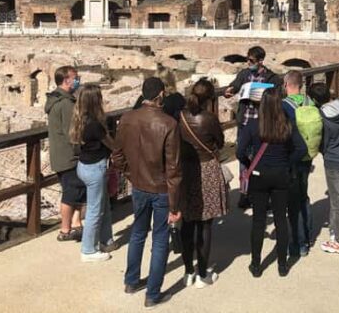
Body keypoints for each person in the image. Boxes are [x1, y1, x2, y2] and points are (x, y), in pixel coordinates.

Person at [113, 77, 182, 308]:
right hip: (161, 189)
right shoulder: (169, 124)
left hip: (139, 186)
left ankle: (131, 281)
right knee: (160, 239)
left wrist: (131, 175)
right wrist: (175, 205)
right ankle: (153, 294)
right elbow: (173, 168)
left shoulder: (126, 118)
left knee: (137, 233)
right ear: (161, 94)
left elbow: (117, 156)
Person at [236, 89, 306, 278]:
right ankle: (282, 265)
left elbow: (239, 151)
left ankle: (256, 264)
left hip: (259, 175)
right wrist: (287, 162)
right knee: (281, 219)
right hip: (281, 174)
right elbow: (301, 149)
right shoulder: (286, 124)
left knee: (258, 220)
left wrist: (251, 163)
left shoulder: (253, 125)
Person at [178, 78, 228, 289]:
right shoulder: (209, 118)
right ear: (209, 98)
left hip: (185, 169)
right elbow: (220, 142)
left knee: (187, 222)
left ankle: (188, 271)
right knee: (205, 224)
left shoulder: (180, 115)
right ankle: (202, 274)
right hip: (206, 168)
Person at [225, 46, 281, 208]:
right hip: (245, 122)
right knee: (242, 157)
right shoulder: (244, 74)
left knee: (262, 159)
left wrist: (262, 100)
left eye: (251, 61)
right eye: (247, 60)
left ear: (261, 61)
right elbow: (235, 85)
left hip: (262, 124)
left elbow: (277, 98)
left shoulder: (273, 78)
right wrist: (230, 90)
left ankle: (263, 194)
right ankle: (244, 193)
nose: (248, 63)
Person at [69, 83, 117, 261]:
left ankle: (106, 239)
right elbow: (111, 144)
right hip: (94, 168)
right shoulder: (95, 125)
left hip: (84, 166)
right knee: (95, 210)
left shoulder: (80, 119)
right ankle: (88, 250)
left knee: (103, 205)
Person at [308, 82, 339, 256]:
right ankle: (335, 231)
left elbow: (322, 142)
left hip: (334, 160)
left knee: (338, 200)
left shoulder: (323, 118)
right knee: (338, 196)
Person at [281, 70, 322, 258]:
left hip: (291, 158)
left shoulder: (285, 106)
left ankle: (297, 243)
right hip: (307, 156)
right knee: (303, 196)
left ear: (286, 84)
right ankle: (307, 237)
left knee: (292, 201)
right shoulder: (310, 102)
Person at [45, 65, 85, 242]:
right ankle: (65, 229)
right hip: (69, 156)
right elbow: (72, 133)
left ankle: (76, 224)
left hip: (61, 154)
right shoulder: (66, 104)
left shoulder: (57, 100)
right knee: (70, 193)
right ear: (67, 80)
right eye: (75, 77)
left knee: (75, 191)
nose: (78, 80)